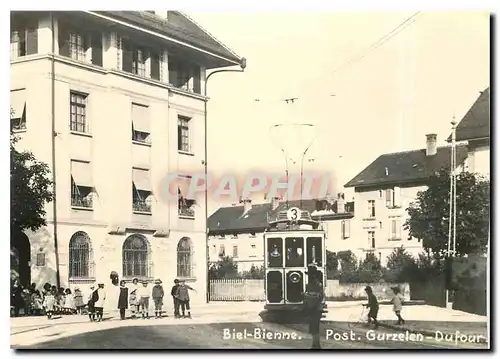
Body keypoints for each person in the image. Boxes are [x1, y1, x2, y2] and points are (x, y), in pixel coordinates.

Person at [303, 265, 324, 349]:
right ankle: (315, 344)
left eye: (311, 274)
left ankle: (316, 345)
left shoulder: (317, 284)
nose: (310, 276)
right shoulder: (310, 284)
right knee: (313, 327)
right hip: (312, 308)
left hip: (315, 308)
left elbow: (319, 296)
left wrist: (307, 295)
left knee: (314, 327)